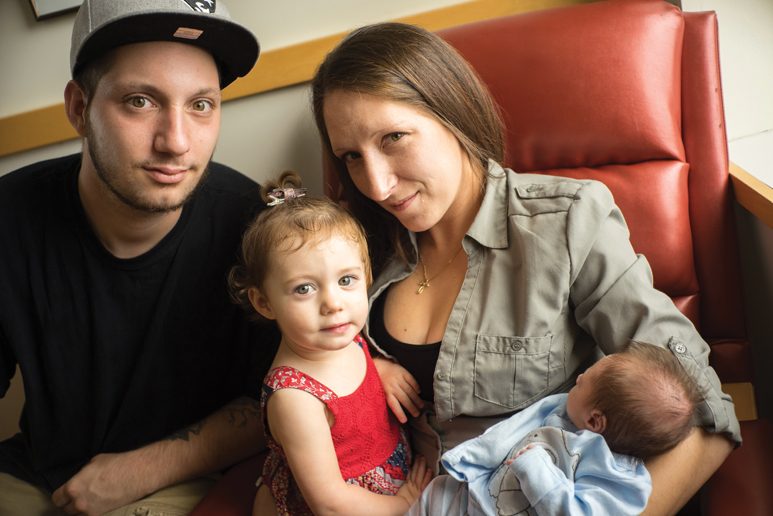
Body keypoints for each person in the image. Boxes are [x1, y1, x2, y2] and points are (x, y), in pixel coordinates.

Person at [310, 21, 741, 515]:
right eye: (351, 156)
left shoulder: (567, 222)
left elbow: (705, 407)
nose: (378, 184)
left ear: (452, 112)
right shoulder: (353, 249)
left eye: (394, 138)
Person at [0, 1, 280, 514]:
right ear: (79, 108)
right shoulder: (11, 216)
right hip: (32, 472)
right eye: (139, 101)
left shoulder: (256, 229)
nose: (176, 142)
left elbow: (291, 398)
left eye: (201, 105)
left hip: (185, 479)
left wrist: (145, 468)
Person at [228, 171, 432, 515]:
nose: (333, 304)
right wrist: (403, 505)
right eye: (304, 289)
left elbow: (354, 372)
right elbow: (330, 504)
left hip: (384, 480)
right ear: (264, 303)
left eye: (347, 280)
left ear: (366, 277)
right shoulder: (295, 399)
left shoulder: (342, 336)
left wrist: (377, 368)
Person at [409, 341, 703, 515]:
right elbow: (513, 429)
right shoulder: (560, 410)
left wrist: (535, 467)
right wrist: (473, 459)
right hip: (475, 494)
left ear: (595, 421)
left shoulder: (619, 481)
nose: (577, 380)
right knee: (438, 491)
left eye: (583, 381)